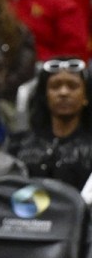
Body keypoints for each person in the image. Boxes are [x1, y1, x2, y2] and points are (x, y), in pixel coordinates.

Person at [8, 58, 92, 190]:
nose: (63, 93)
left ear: (86, 96)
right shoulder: (18, 144)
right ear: (45, 95)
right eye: (55, 86)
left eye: (72, 86)